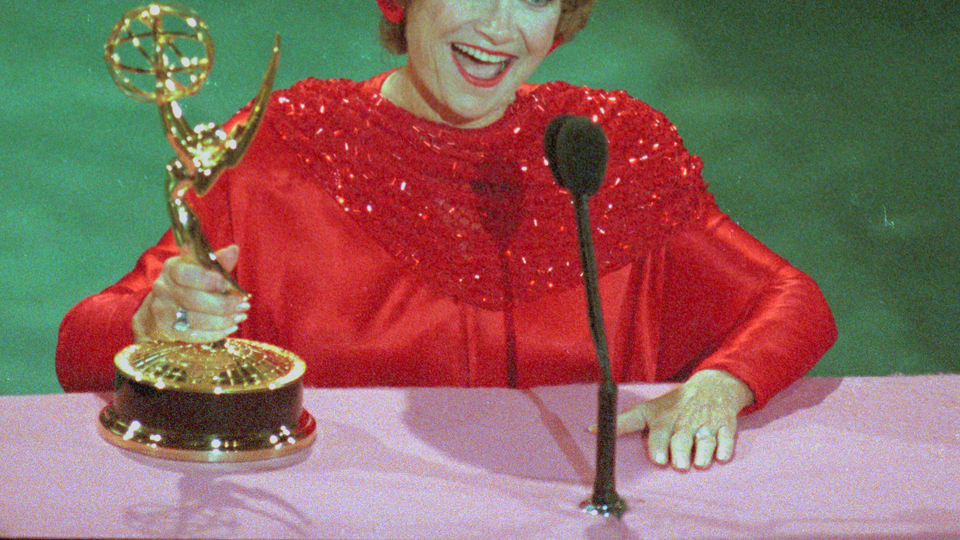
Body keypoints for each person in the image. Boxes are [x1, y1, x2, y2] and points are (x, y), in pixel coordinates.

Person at [57, 0, 837, 471]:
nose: (499, 26)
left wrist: (719, 385)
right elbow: (79, 348)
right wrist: (158, 322)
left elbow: (790, 298)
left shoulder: (608, 149)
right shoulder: (285, 150)